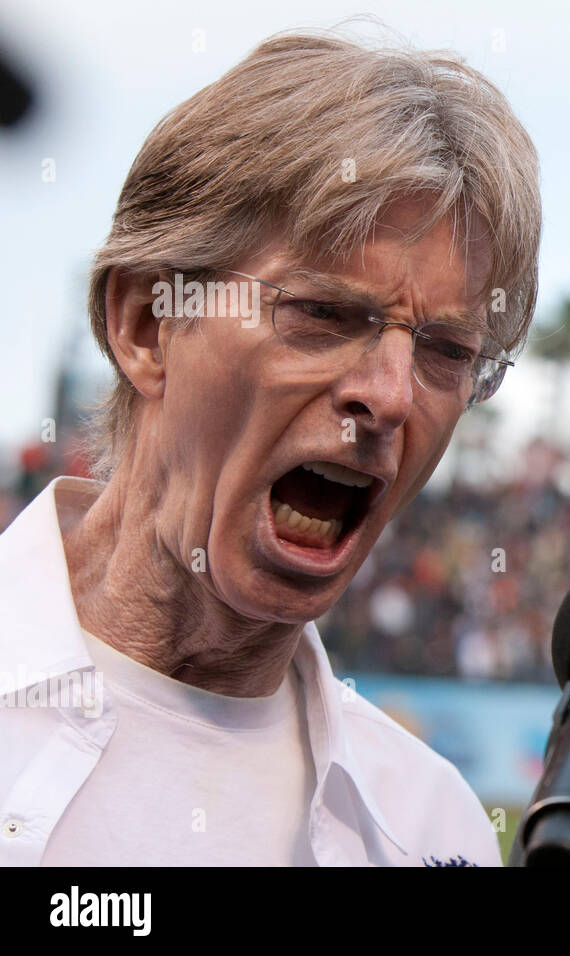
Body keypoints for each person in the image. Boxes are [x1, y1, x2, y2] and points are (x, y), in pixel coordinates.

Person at [0, 29, 541, 866]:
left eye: (446, 352)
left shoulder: (434, 832)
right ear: (148, 325)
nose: (393, 395)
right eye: (323, 314)